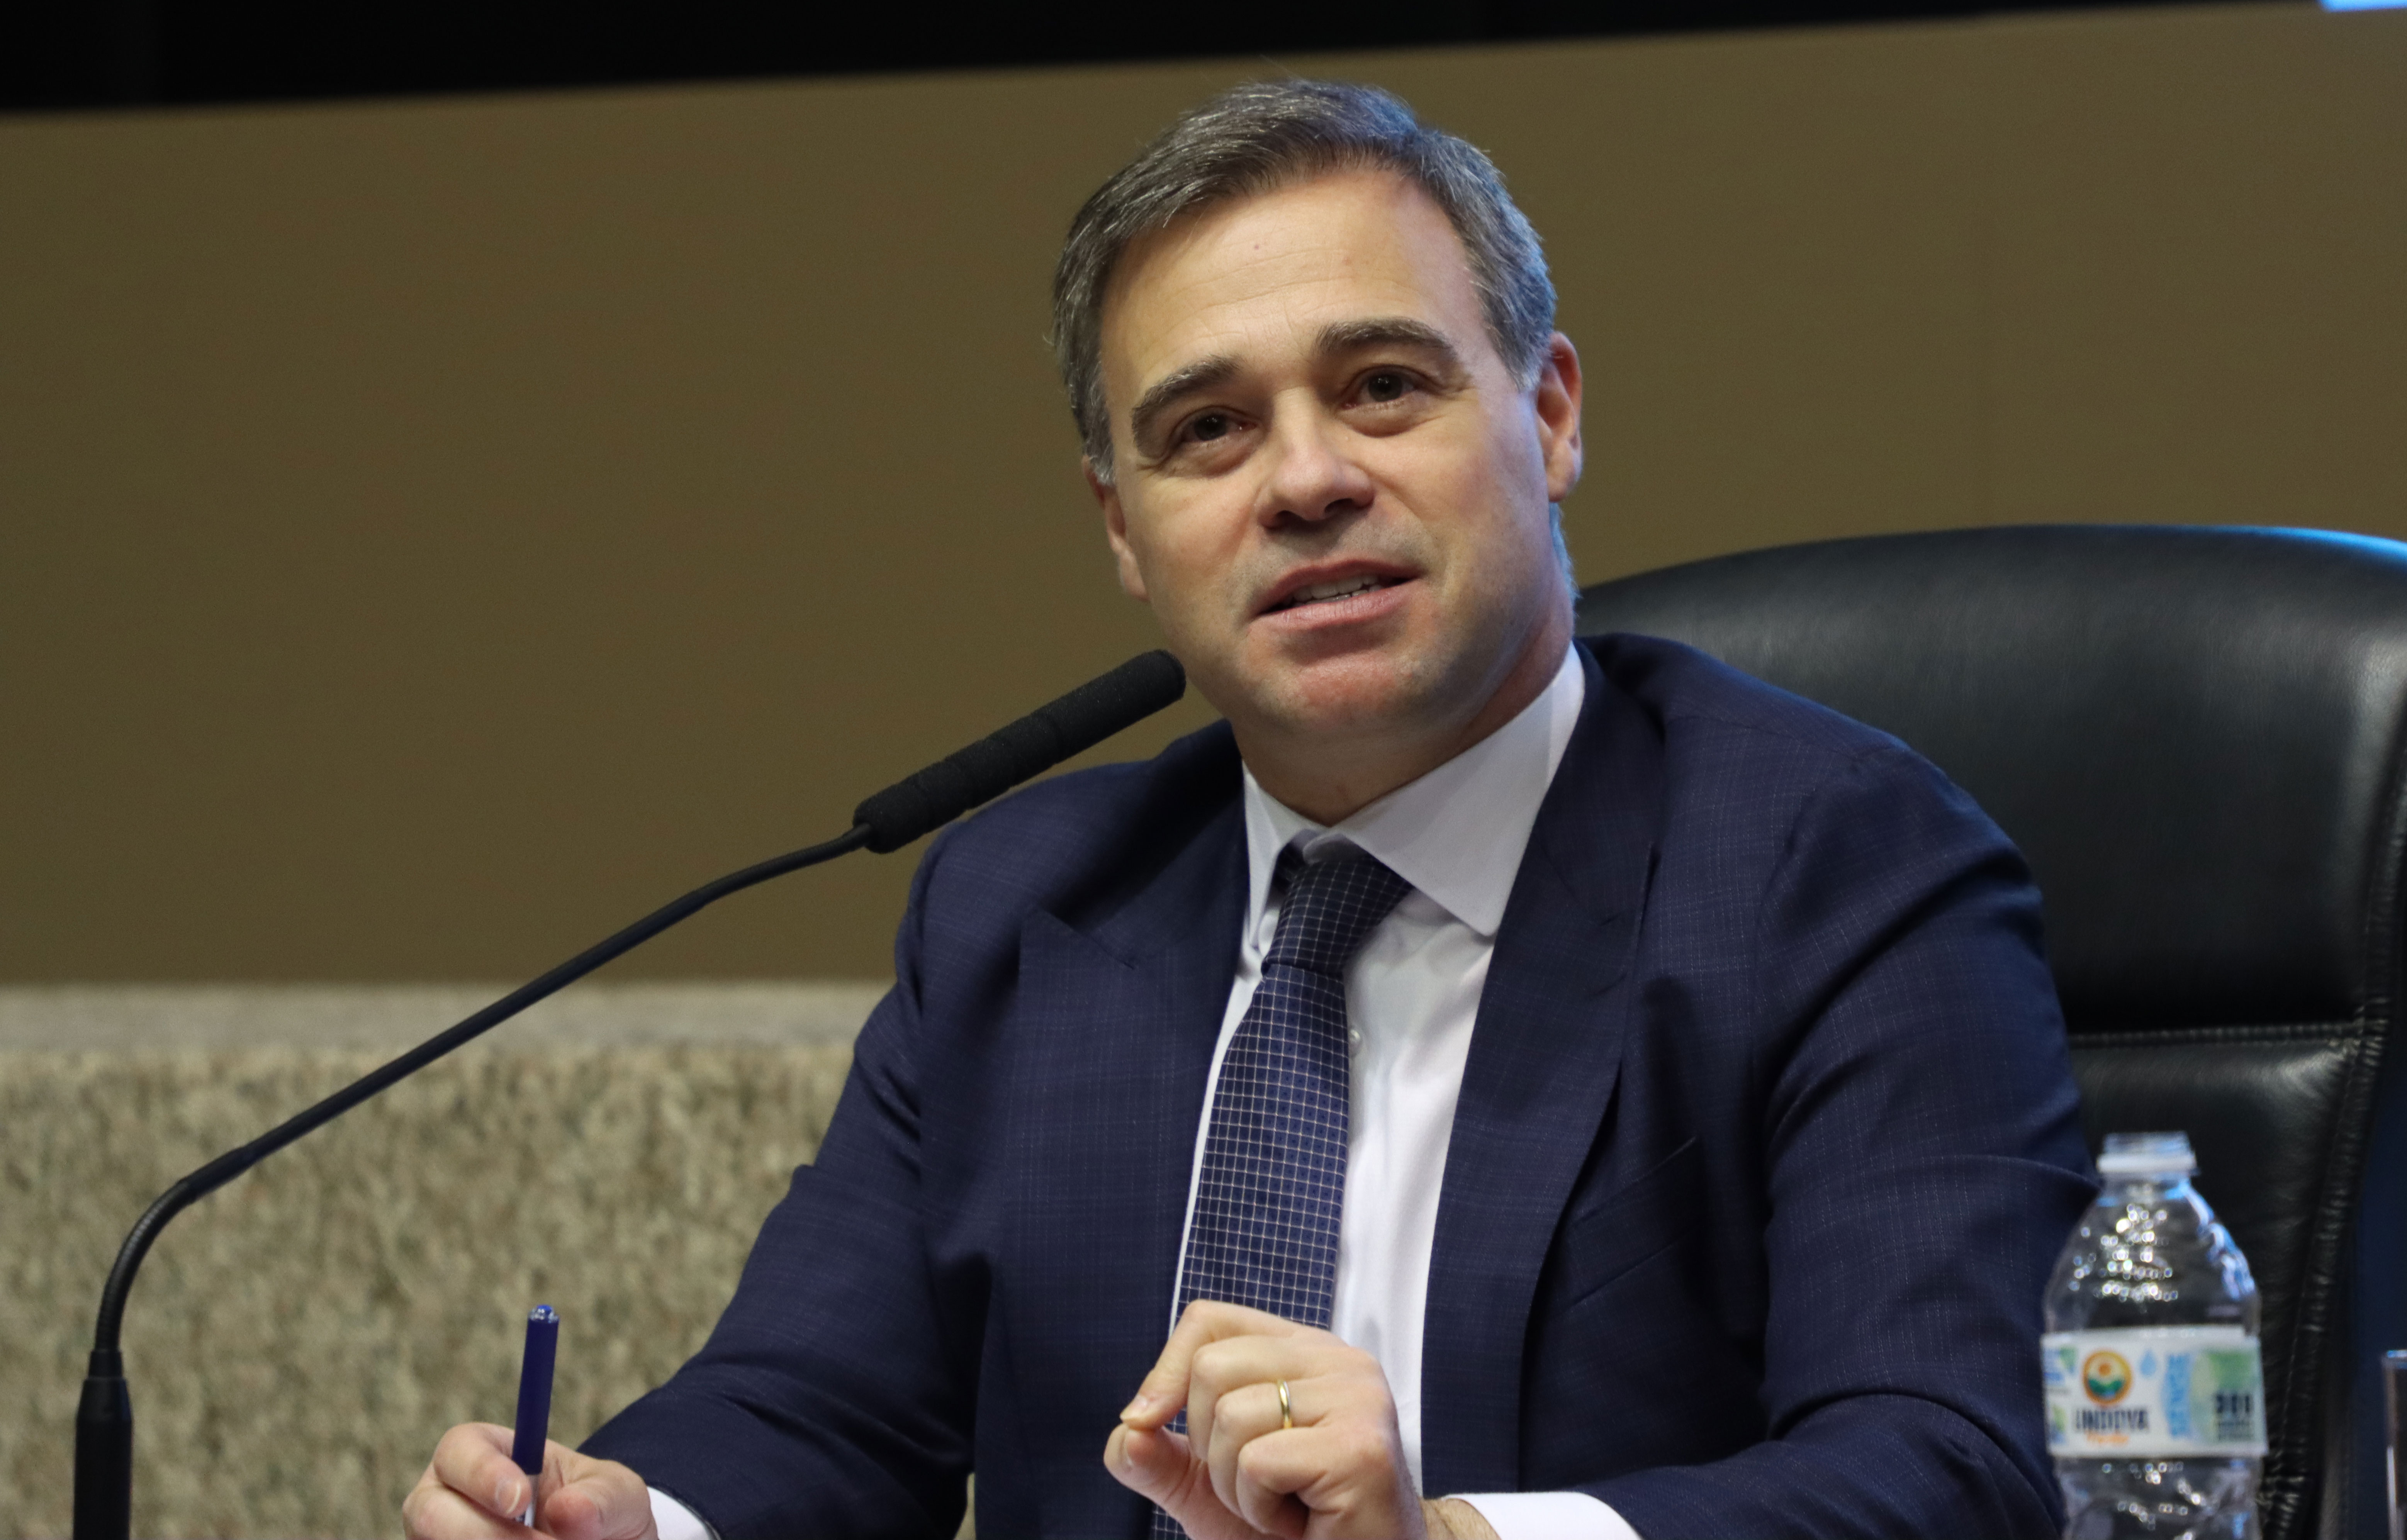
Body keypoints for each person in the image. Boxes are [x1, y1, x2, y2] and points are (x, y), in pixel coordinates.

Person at [403, 81, 2094, 1540]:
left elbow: (1953, 1462)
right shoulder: (1022, 908)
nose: (1305, 480)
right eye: (1208, 430)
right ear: (1125, 530)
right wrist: (642, 1517)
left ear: (1551, 413)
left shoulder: (1836, 867)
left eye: (1383, 386)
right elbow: (816, 1406)